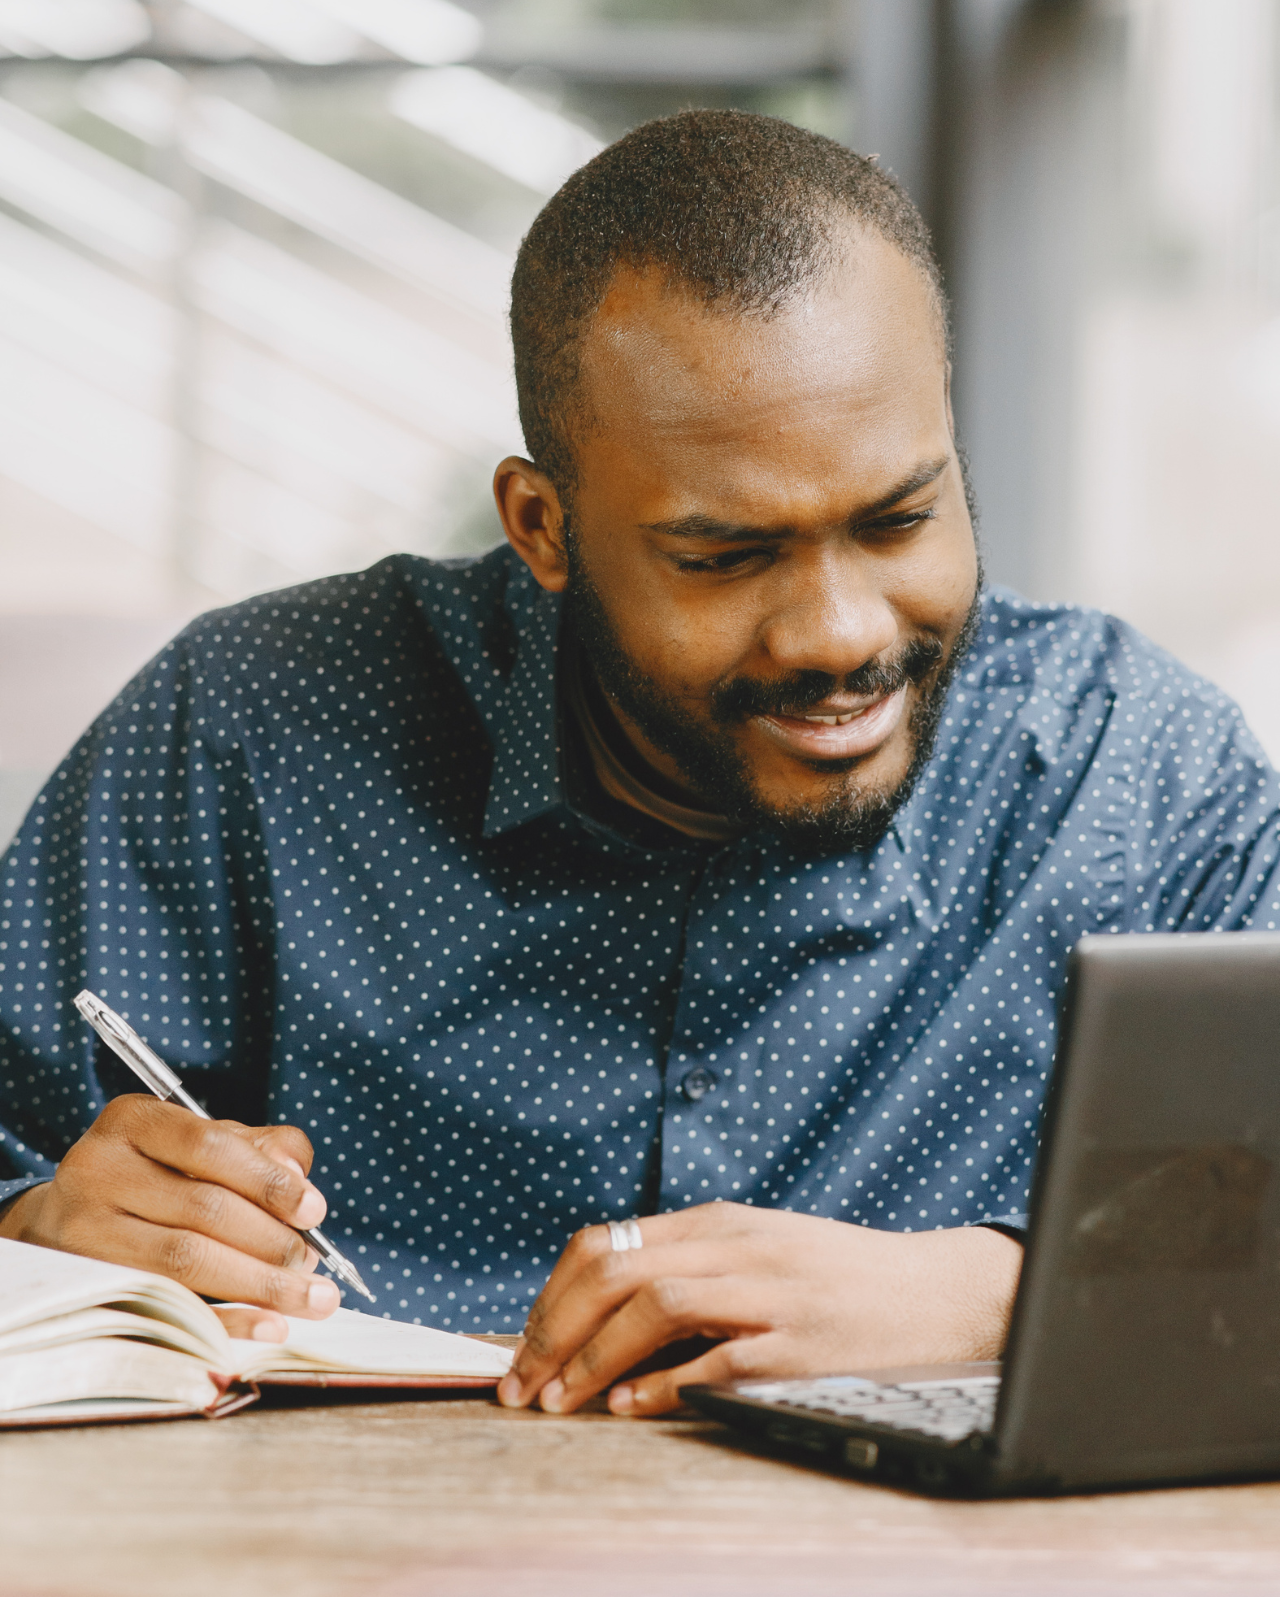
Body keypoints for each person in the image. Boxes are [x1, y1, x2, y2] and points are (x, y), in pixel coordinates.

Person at [2, 111, 1278, 1417]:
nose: (840, 633)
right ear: (542, 527)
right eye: (725, 556)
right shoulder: (249, 730)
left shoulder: (1138, 780)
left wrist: (999, 1294)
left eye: (900, 517)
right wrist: (36, 1236)